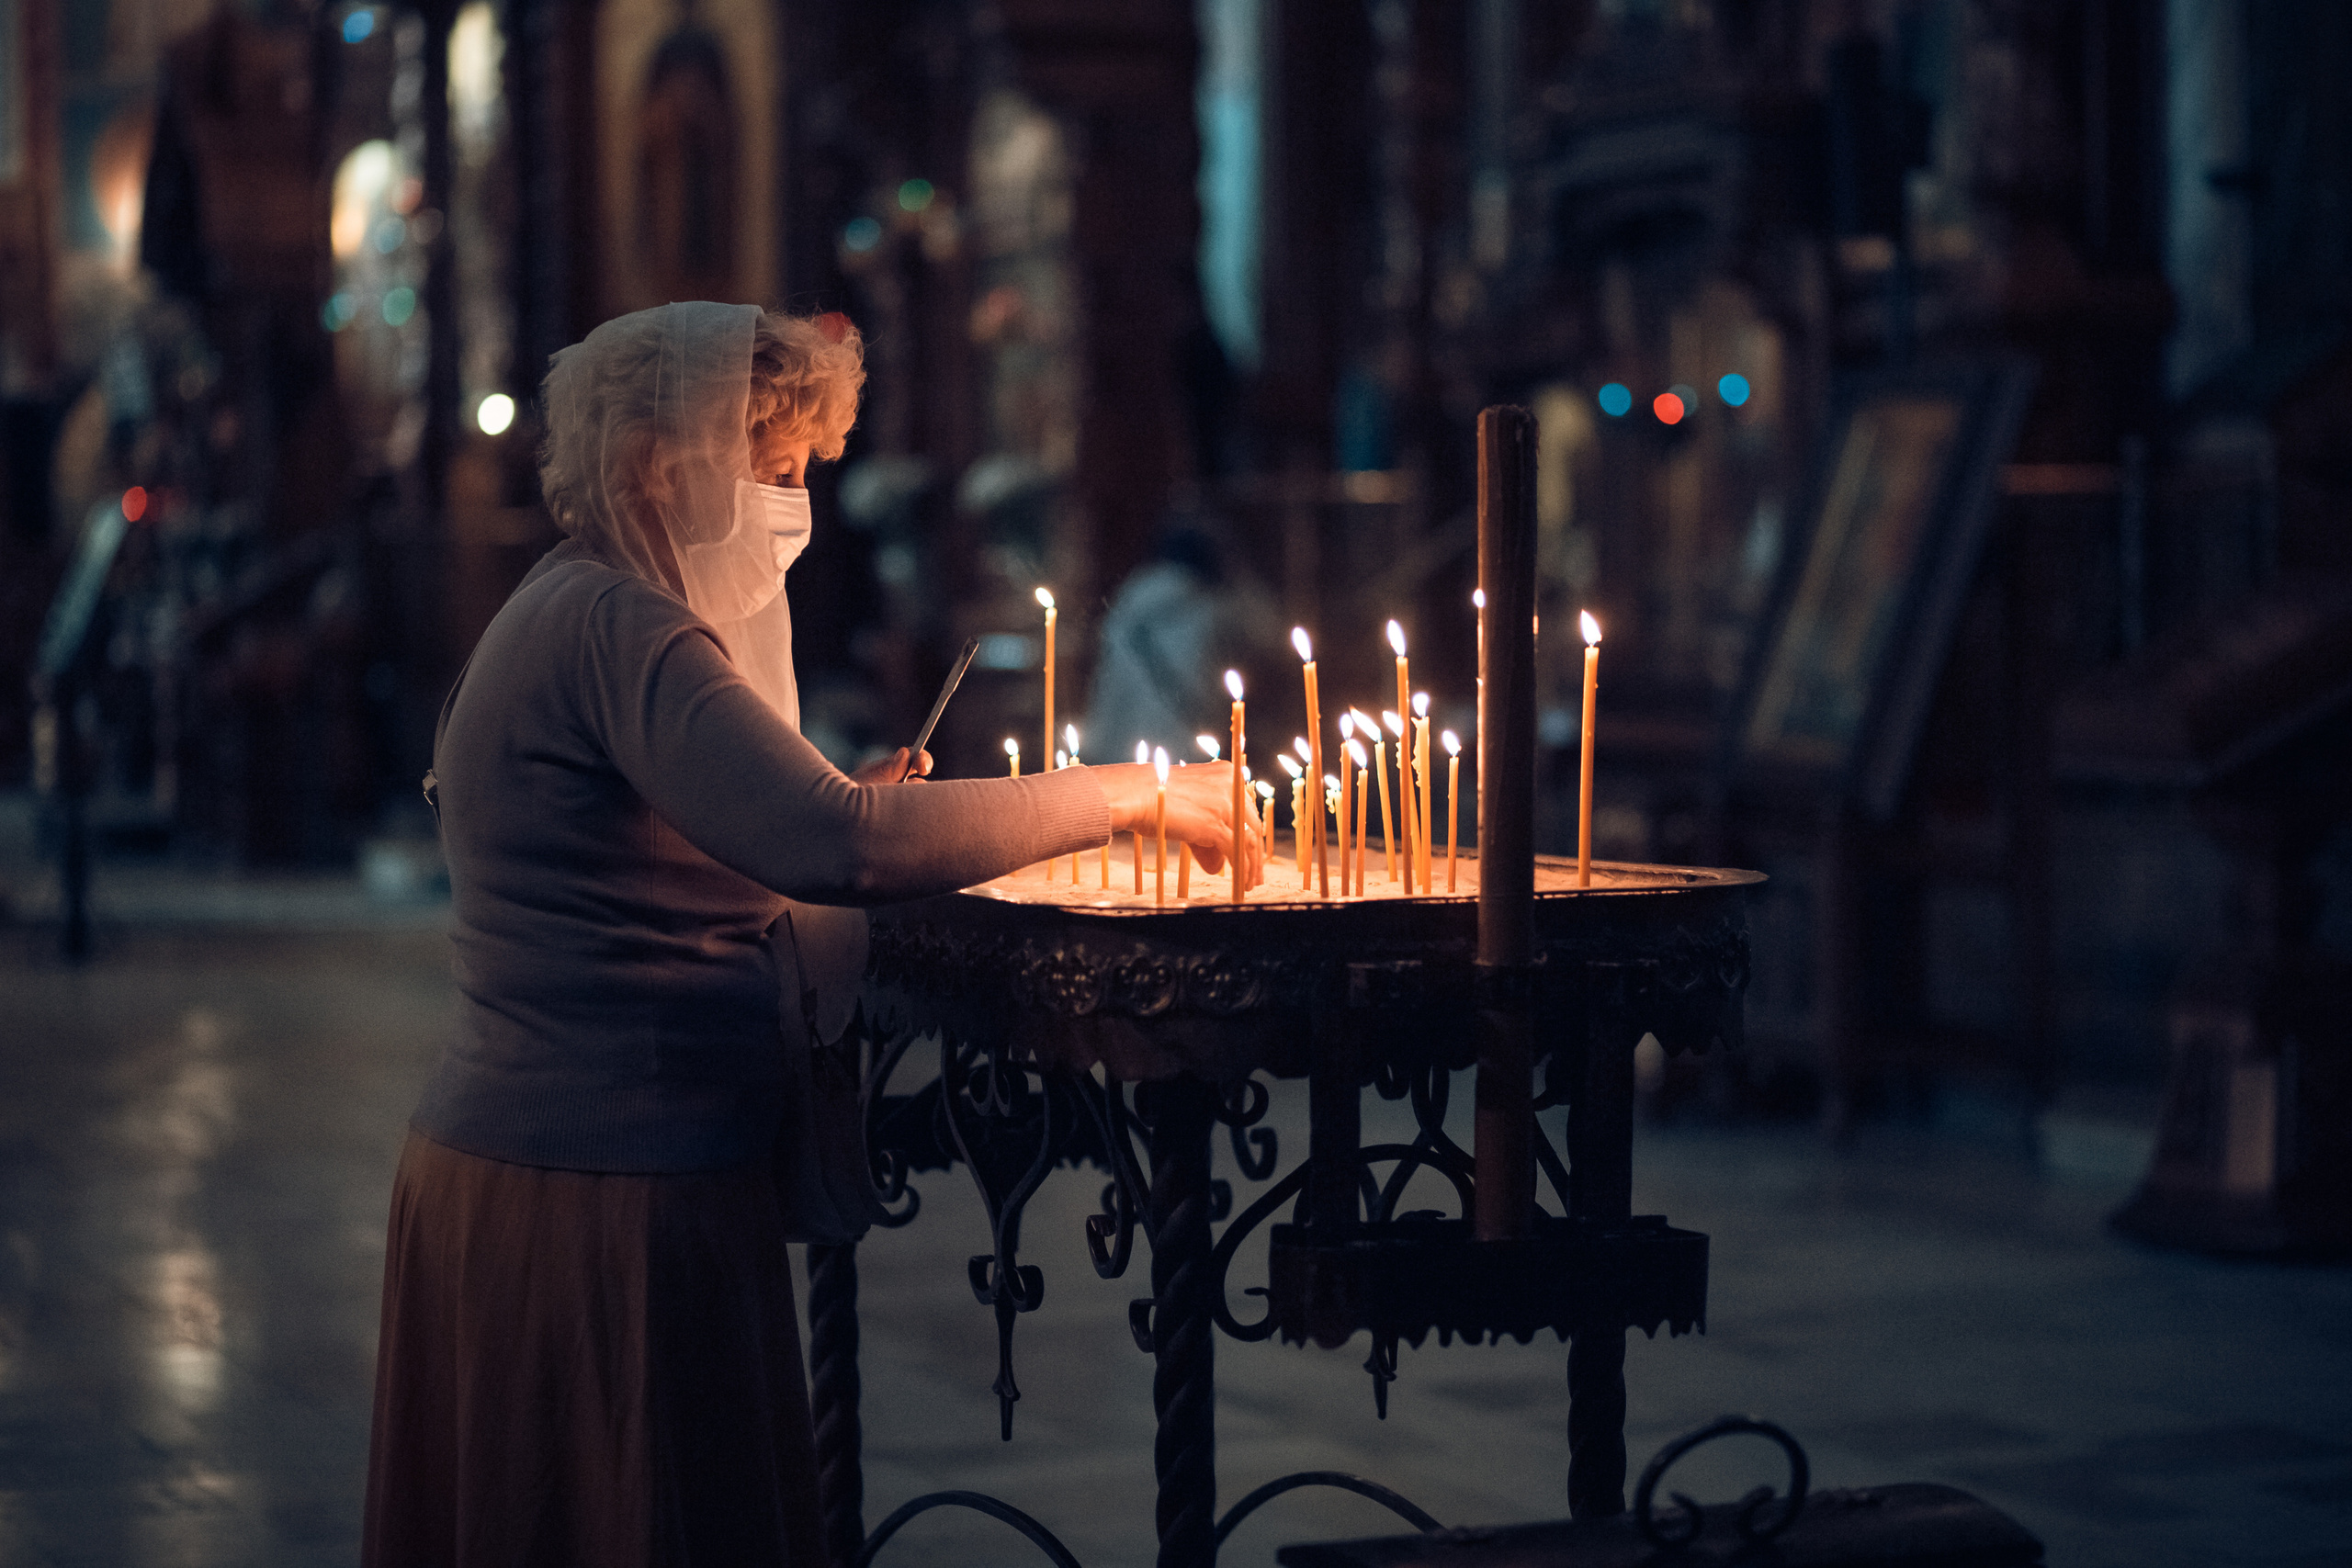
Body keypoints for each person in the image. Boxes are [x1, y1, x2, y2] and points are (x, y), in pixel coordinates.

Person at [362, 301, 1257, 1568]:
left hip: (554, 1166)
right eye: (773, 470)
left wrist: (846, 806)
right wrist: (1137, 792)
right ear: (668, 462)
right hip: (599, 1196)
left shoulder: (576, 602)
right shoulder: (626, 627)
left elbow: (726, 830)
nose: (793, 508)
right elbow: (842, 846)